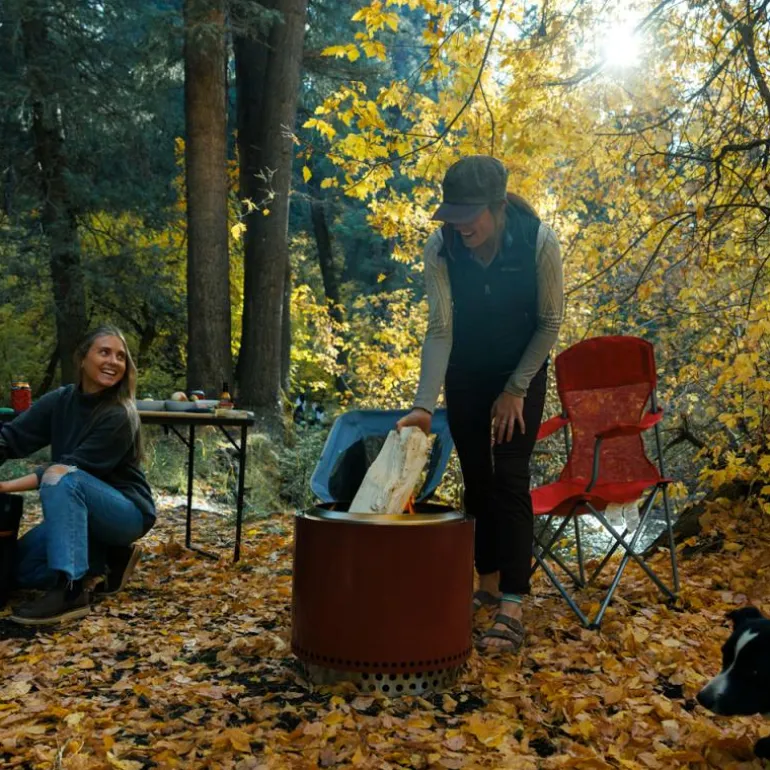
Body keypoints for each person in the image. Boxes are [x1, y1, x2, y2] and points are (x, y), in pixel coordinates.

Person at [397, 156, 564, 653]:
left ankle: (512, 605)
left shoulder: (538, 241)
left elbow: (550, 322)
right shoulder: (440, 247)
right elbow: (440, 328)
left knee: (510, 477)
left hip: (522, 368)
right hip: (466, 371)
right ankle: (486, 586)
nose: (460, 225)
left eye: (469, 216)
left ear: (496, 207)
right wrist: (423, 406)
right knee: (476, 478)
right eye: (452, 215)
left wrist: (515, 388)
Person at [0, 325, 156, 626]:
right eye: (104, 352)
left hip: (125, 512)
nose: (113, 361)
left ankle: (70, 591)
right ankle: (105, 560)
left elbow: (70, 469)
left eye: (120, 356)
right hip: (78, 507)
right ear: (82, 358)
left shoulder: (119, 414)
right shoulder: (61, 400)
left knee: (62, 477)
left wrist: (5, 486)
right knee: (15, 570)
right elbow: (12, 437)